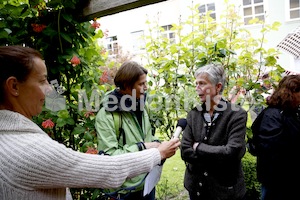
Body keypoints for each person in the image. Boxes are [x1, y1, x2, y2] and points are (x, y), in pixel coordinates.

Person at [0, 45, 181, 200]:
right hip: (126, 190)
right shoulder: (28, 149)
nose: (49, 89)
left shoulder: (142, 107)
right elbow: (108, 167)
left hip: (146, 181)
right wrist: (155, 152)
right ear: (14, 86)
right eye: (42, 81)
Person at [95, 60, 162, 200]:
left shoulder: (141, 106)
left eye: (146, 83)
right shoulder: (106, 115)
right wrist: (144, 147)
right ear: (126, 86)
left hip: (147, 184)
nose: (146, 87)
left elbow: (147, 138)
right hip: (125, 192)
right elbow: (110, 157)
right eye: (141, 84)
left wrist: (159, 146)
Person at [180, 63, 247, 200]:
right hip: (196, 190)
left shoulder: (237, 115)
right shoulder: (193, 114)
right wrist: (218, 154)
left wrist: (198, 147)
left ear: (218, 87)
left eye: (202, 83)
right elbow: (185, 151)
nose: (197, 88)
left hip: (224, 193)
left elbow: (232, 153)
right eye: (196, 83)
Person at [248, 75, 300, 200]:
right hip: (277, 182)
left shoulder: (291, 112)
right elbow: (270, 149)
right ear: (292, 93)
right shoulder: (273, 115)